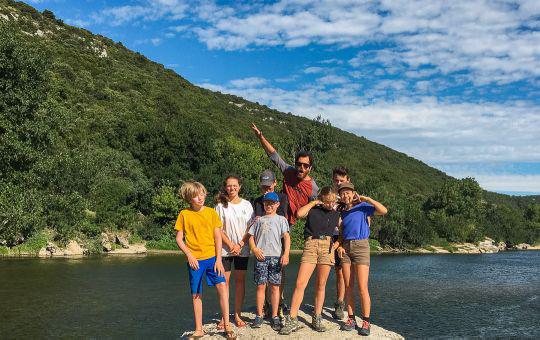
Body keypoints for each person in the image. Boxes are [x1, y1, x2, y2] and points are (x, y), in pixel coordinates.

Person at [174, 181, 236, 340]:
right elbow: (179, 239)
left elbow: (217, 237)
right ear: (189, 198)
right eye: (195, 195)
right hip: (195, 260)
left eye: (202, 193)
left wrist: (218, 260)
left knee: (222, 286)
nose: (200, 197)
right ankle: (199, 329)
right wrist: (189, 255)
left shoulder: (211, 213)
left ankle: (227, 326)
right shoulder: (184, 215)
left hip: (212, 258)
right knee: (196, 294)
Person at [280, 187, 341, 335]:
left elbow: (343, 231)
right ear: (322, 199)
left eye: (333, 201)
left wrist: (336, 246)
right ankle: (292, 318)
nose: (330, 204)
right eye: (328, 201)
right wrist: (314, 203)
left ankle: (317, 317)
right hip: (310, 245)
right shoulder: (313, 209)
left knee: (321, 285)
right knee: (300, 283)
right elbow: (299, 214)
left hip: (327, 247)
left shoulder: (336, 214)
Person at [336, 182, 387, 336]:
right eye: (342, 193)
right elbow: (341, 234)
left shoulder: (364, 207)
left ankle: (366, 321)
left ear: (353, 193)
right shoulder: (343, 212)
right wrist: (339, 246)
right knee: (348, 286)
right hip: (346, 248)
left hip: (361, 247)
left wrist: (368, 198)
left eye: (347, 193)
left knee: (362, 287)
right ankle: (351, 319)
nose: (345, 195)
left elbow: (383, 211)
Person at [251, 123, 318, 224]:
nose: (301, 168)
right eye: (299, 164)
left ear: (310, 168)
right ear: (295, 164)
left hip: (291, 223)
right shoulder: (289, 171)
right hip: (276, 213)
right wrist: (261, 138)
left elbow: (313, 208)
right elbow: (274, 155)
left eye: (305, 166)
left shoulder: (313, 188)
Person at [214, 175, 253, 328]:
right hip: (225, 250)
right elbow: (218, 229)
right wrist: (231, 245)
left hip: (242, 249)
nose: (231, 188)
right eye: (229, 186)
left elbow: (251, 227)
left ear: (239, 186)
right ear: (225, 187)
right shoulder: (220, 205)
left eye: (234, 185)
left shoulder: (247, 205)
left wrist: (241, 243)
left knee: (240, 281)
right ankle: (224, 317)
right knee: (224, 283)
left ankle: (237, 315)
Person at [248, 192, 291, 331]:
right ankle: (259, 315)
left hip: (276, 257)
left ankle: (274, 315)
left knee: (275, 287)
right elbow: (250, 236)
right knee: (260, 286)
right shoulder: (258, 220)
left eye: (272, 203)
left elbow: (286, 237)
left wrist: (286, 254)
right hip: (261, 257)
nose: (269, 205)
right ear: (263, 204)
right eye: (266, 203)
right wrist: (254, 249)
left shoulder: (281, 220)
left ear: (277, 204)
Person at [252, 169, 289, 317]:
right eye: (264, 186)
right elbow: (256, 222)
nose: (267, 188)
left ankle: (279, 305)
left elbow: (281, 216)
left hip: (277, 247)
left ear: (275, 183)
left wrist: (285, 252)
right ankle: (265, 308)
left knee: (277, 282)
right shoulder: (257, 201)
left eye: (269, 185)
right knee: (261, 283)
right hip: (262, 247)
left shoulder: (282, 198)